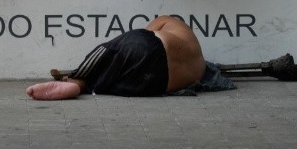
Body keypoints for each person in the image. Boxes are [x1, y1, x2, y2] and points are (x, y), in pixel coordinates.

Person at [26, 15, 208, 100]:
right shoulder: (198, 62)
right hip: (156, 83)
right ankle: (90, 87)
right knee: (114, 79)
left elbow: (145, 36)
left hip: (152, 46)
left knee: (109, 51)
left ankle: (76, 81)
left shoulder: (167, 20)